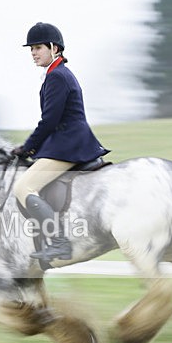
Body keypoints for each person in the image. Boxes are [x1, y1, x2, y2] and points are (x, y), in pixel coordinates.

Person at [12, 22, 109, 262]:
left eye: (38, 48)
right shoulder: (57, 74)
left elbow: (49, 121)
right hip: (67, 141)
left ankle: (59, 242)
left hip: (68, 145)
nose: (33, 53)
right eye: (31, 49)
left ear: (54, 48)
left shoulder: (57, 76)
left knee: (23, 188)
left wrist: (28, 147)